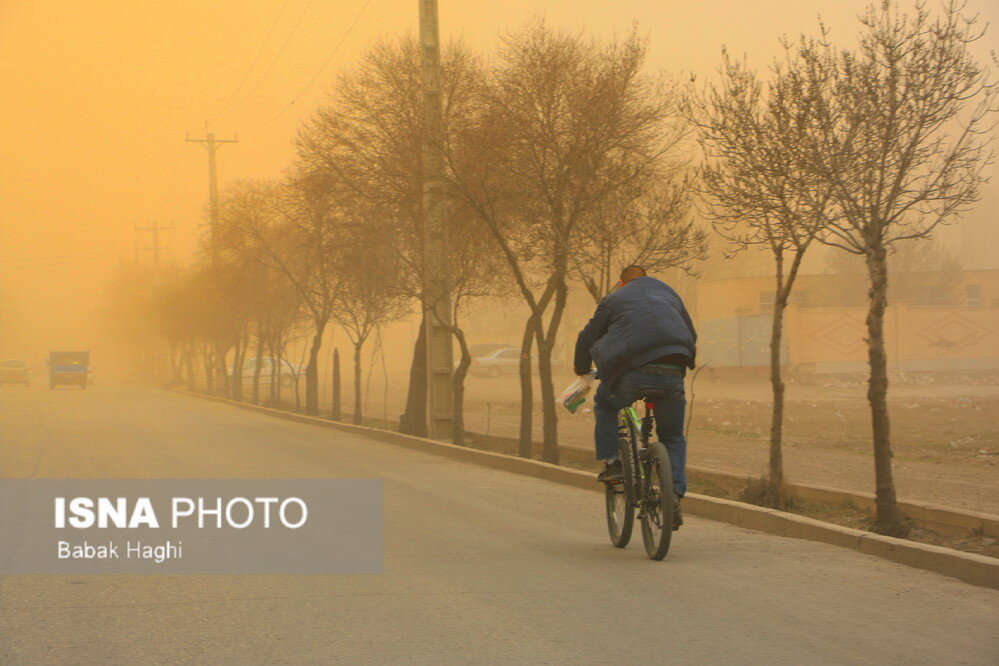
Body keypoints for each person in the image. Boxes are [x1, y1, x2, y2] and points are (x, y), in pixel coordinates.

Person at [573, 265, 696, 529]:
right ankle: (672, 496)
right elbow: (690, 333)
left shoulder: (615, 298)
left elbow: (588, 336)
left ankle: (614, 463)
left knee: (605, 403)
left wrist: (582, 368)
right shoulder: (670, 294)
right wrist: (684, 366)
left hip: (631, 371)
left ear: (621, 282)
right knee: (672, 436)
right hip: (674, 368)